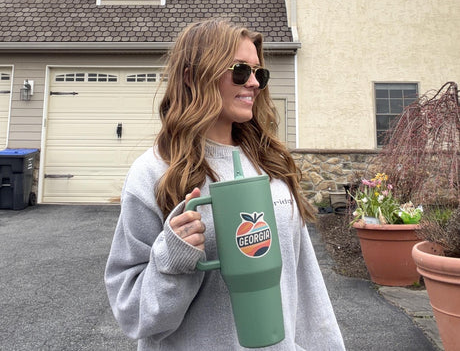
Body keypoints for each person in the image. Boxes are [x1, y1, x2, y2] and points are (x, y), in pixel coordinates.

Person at [105, 18, 345, 350]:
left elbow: (304, 283)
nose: (254, 84)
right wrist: (172, 261)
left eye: (259, 73)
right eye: (239, 71)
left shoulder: (270, 164)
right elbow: (133, 315)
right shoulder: (154, 172)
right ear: (193, 75)